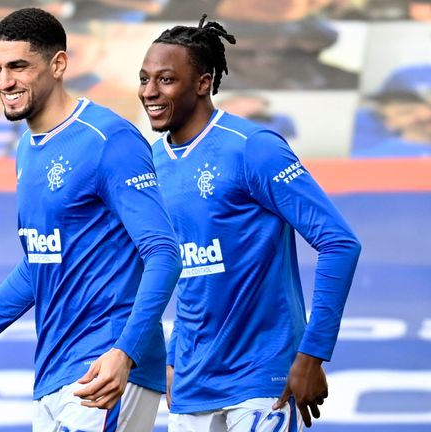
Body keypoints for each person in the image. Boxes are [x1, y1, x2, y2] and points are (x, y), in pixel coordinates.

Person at [0, 7, 182, 431]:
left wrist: (125, 352)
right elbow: (39, 264)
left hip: (104, 371)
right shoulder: (28, 146)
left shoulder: (109, 139)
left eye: (19, 66)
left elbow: (164, 253)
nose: (4, 81)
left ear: (58, 64)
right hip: (54, 375)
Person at [138, 15, 361, 431]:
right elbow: (188, 271)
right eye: (145, 79)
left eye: (165, 80)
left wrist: (311, 354)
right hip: (190, 383)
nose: (150, 92)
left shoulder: (253, 148)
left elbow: (339, 242)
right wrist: (171, 358)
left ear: (203, 83)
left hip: (263, 379)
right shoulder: (150, 163)